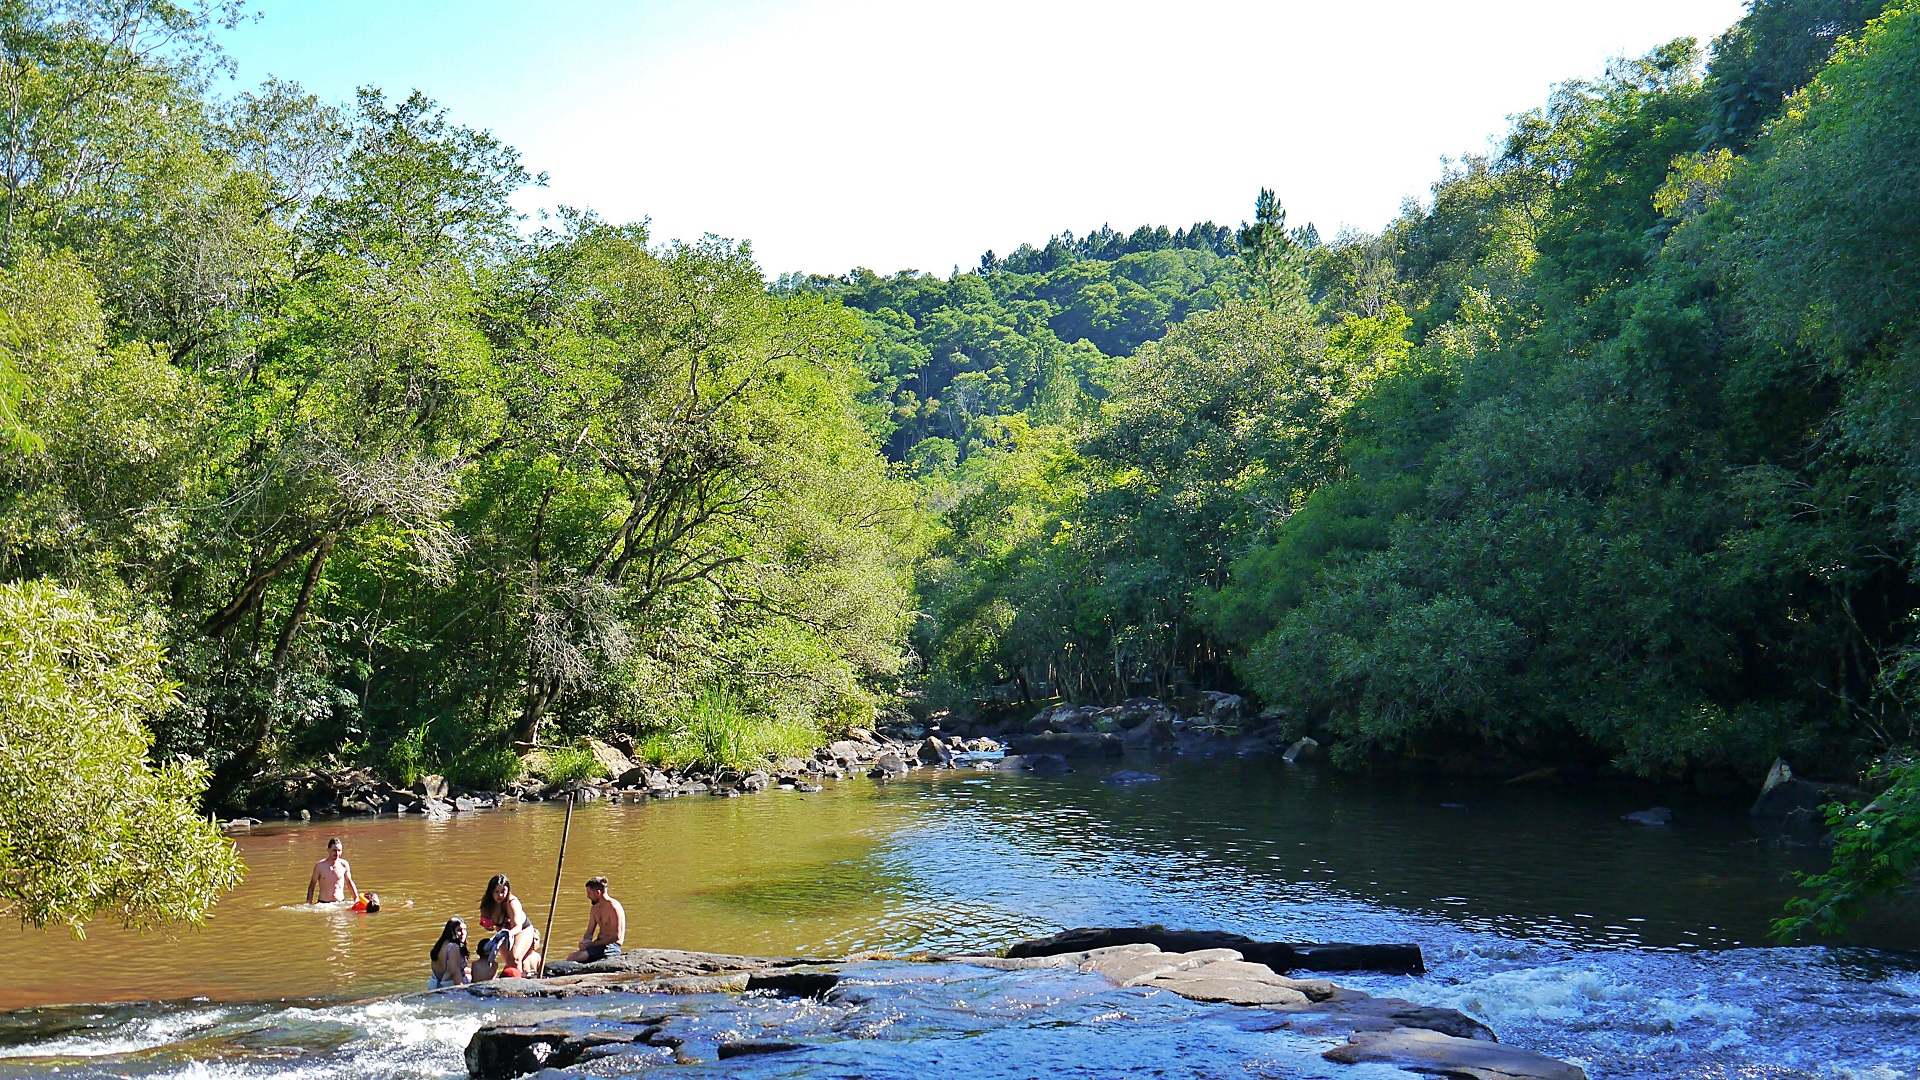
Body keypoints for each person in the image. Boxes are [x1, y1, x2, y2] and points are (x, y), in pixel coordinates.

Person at [477, 874, 541, 976]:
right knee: (509, 962)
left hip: (522, 930)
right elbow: (485, 921)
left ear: (508, 891)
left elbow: (517, 926)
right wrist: (488, 926)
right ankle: (515, 978)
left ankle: (520, 982)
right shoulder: (487, 904)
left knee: (515, 958)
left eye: (503, 891)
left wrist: (508, 933)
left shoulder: (511, 902)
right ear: (491, 892)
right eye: (496, 892)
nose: (500, 895)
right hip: (502, 931)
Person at [567, 875, 626, 963]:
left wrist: (592, 944)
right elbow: (589, 931)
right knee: (573, 957)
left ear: (598, 893)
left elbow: (616, 936)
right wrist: (585, 943)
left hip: (612, 946)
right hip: (598, 945)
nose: (587, 896)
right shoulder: (595, 909)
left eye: (589, 893)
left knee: (573, 958)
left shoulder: (614, 908)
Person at [306, 837, 359, 905]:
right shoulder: (320, 866)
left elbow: (349, 882)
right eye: (334, 850)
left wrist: (356, 899)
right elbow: (312, 885)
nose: (337, 853)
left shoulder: (344, 865)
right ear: (328, 850)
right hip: (323, 904)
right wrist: (308, 904)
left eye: (339, 850)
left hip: (340, 903)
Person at [429, 918, 470, 989]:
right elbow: (454, 973)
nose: (463, 933)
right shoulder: (454, 947)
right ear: (451, 931)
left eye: (465, 929)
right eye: (459, 930)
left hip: (433, 985)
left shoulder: (441, 945)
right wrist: (464, 990)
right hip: (446, 988)